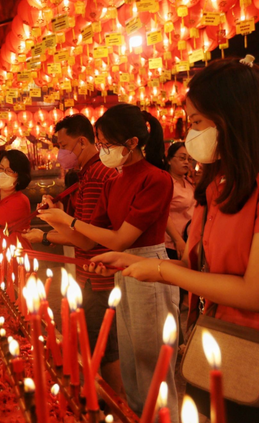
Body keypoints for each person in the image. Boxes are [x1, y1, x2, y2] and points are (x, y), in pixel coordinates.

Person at [89, 57, 259, 422]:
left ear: (232, 117)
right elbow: (199, 268)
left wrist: (162, 273)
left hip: (250, 350)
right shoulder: (214, 189)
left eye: (197, 123)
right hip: (208, 339)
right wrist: (135, 263)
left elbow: (251, 292)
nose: (190, 135)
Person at [37, 104, 179, 422]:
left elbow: (120, 239)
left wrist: (68, 222)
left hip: (150, 271)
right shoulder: (116, 179)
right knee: (131, 366)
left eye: (106, 144)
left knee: (153, 368)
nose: (101, 150)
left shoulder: (156, 179)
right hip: (121, 270)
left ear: (130, 143)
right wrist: (53, 218)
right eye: (99, 144)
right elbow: (90, 240)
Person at [22, 114, 123, 395]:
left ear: (82, 141)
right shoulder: (91, 173)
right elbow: (81, 230)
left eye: (63, 145)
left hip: (99, 278)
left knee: (103, 351)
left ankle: (114, 406)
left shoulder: (97, 175)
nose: (59, 153)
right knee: (101, 347)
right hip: (92, 275)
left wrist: (54, 221)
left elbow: (86, 239)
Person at [165, 142, 195, 260]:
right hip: (173, 243)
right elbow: (163, 214)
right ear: (169, 160)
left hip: (190, 239)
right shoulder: (166, 182)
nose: (186, 162)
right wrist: (178, 241)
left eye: (189, 159)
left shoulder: (189, 181)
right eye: (182, 158)